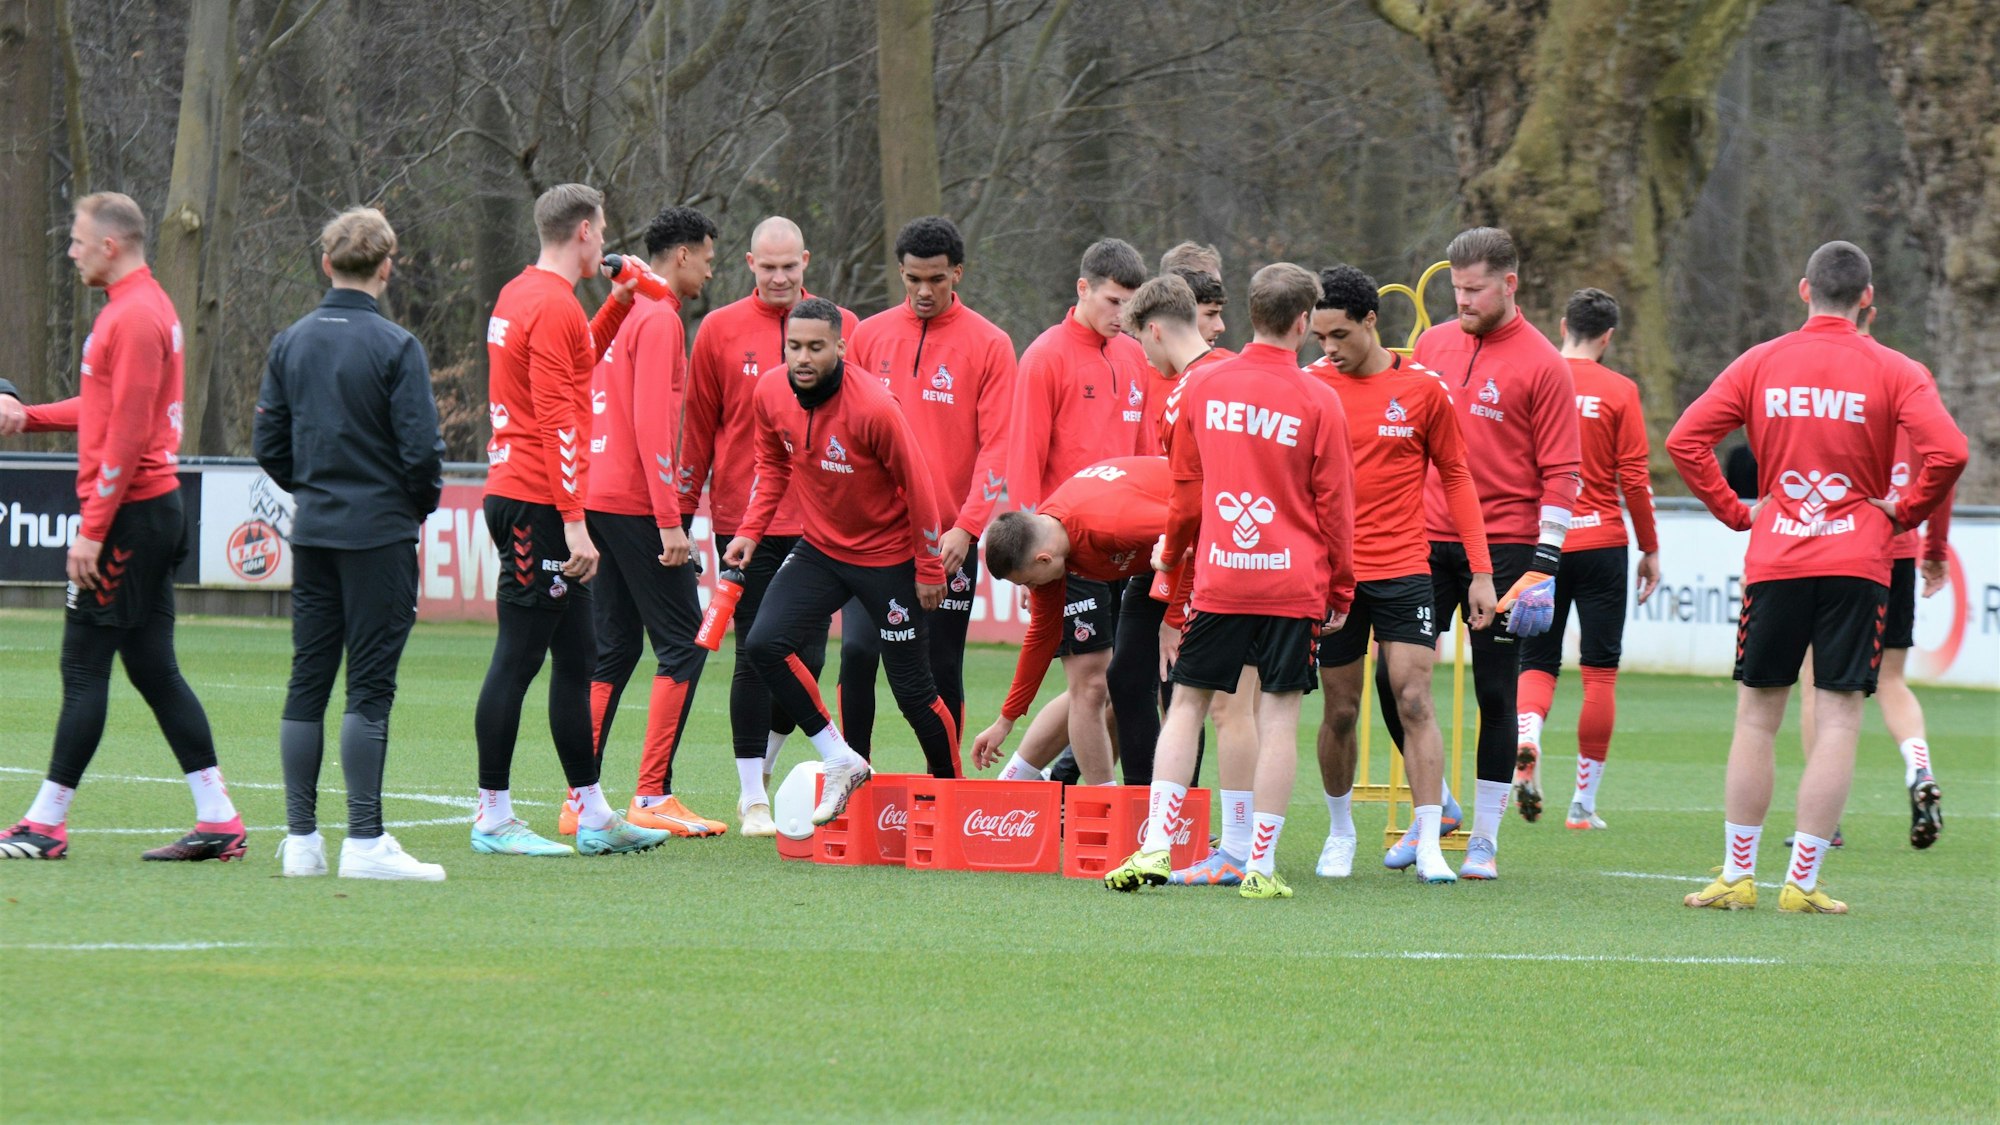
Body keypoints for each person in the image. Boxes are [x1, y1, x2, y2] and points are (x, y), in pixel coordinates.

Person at [1668, 240, 1966, 914]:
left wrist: (1736, 513)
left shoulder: (1761, 361)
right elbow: (1949, 451)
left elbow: (1685, 439)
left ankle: (1738, 874)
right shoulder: (1897, 369)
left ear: (1805, 291)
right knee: (1837, 718)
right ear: (1866, 298)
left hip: (1777, 555)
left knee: (1757, 715)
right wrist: (1906, 512)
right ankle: (1801, 882)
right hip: (1859, 562)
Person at [0, 193, 244, 862]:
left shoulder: (134, 316)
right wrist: (29, 415)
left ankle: (46, 823)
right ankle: (219, 816)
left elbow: (130, 431)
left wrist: (92, 529)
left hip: (132, 516)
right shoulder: (139, 308)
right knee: (152, 666)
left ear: (111, 244)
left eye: (78, 240)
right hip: (149, 509)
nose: (71, 250)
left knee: (83, 664)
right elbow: (107, 405)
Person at [1106, 263, 1355, 900]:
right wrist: (1341, 589)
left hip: (1220, 578)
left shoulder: (1205, 389)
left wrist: (1170, 567)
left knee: (1186, 705)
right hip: (1292, 583)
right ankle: (1261, 868)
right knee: (1277, 719)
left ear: (1246, 313)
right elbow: (1335, 507)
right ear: (1304, 323)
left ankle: (1157, 845)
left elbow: (1185, 499)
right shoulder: (1319, 397)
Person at [471, 182, 668, 858]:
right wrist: (575, 521)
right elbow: (558, 419)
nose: (607, 240)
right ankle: (492, 816)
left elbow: (574, 366)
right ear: (585, 231)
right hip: (536, 501)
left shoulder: (523, 293)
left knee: (578, 658)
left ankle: (593, 812)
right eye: (604, 227)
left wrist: (618, 302)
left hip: (526, 492)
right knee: (519, 657)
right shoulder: (549, 305)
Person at [254, 206, 447, 880]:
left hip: (316, 531)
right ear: (387, 266)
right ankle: (364, 839)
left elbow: (268, 446)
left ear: (327, 262)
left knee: (306, 682)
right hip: (379, 534)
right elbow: (421, 453)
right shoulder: (397, 347)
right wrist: (411, 504)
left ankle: (302, 841)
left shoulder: (290, 342)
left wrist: (315, 487)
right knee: (368, 688)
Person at [1396, 226, 1581, 880]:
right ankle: (1437, 805)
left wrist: (1546, 563)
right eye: (1456, 288)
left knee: (1497, 694)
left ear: (1510, 283)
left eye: (1474, 289)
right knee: (1401, 683)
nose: (1463, 300)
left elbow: (1563, 471)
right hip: (1421, 536)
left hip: (1505, 548)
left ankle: (1485, 838)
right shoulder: (1432, 343)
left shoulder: (1544, 364)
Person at [725, 298, 956, 820]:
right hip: (822, 549)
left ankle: (954, 796)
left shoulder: (874, 407)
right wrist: (749, 532)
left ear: (840, 348)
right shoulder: (768, 391)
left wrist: (927, 565)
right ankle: (840, 757)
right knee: (764, 643)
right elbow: (771, 467)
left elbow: (920, 489)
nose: (802, 358)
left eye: (815, 347)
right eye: (793, 346)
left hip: (890, 557)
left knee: (914, 693)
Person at [1306, 265, 1492, 884]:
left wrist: (1481, 572)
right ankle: (1339, 833)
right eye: (1319, 338)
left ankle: (1433, 836)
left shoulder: (1423, 390)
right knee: (1340, 709)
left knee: (1413, 699)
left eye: (1339, 335)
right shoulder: (1310, 387)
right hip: (1333, 578)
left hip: (1404, 569)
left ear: (1370, 321)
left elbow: (1459, 478)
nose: (1328, 350)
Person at [680, 216, 857, 823]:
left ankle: (771, 761)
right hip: (743, 520)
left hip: (825, 521)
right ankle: (752, 794)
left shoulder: (841, 325)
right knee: (755, 655)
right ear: (749, 264)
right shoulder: (718, 330)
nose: (780, 277)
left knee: (809, 660)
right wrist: (680, 515)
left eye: (790, 266)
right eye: (768, 266)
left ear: (806, 261)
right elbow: (698, 431)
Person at [566, 205, 728, 838]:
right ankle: (652, 795)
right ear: (682, 255)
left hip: (598, 496)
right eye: (709, 260)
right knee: (685, 642)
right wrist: (670, 523)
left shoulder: (625, 308)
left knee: (614, 648)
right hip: (637, 502)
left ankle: (581, 798)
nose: (710, 274)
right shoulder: (659, 318)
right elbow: (650, 425)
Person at [838, 216, 1014, 760]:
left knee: (941, 668)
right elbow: (847, 429)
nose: (922, 291)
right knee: (859, 655)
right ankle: (853, 776)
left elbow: (998, 446)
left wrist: (966, 528)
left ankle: (948, 788)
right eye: (912, 278)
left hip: (948, 542)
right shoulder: (868, 335)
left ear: (957, 273)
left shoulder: (990, 344)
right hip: (876, 537)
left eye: (935, 279)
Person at [1794, 303, 1954, 851]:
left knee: (1820, 685)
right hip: (1901, 544)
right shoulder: (1911, 372)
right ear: (1871, 307)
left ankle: (1824, 820)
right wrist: (1934, 545)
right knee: (1892, 680)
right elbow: (1945, 460)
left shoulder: (1818, 371)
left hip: (1841, 544)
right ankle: (1919, 767)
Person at [1005, 238, 1153, 785]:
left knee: (1120, 684)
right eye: (1114, 302)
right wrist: (1029, 559)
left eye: (1132, 306)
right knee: (1089, 685)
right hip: (1065, 550)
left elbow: (1147, 458)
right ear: (1083, 288)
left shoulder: (1135, 356)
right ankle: (1103, 808)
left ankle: (1021, 779)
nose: (1123, 316)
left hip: (1129, 549)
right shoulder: (1045, 355)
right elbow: (1023, 460)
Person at [1514, 288, 1660, 830]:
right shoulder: (1620, 390)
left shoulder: (1535, 377)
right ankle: (1583, 805)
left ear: (1561, 325)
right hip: (1602, 541)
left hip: (1542, 541)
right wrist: (1649, 546)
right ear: (1608, 336)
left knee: (1536, 661)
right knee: (1599, 674)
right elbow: (1636, 479)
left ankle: (1527, 736)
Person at [971, 456, 1189, 778]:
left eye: (1028, 582)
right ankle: (1136, 809)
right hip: (1156, 559)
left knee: (1178, 684)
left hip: (1200, 541)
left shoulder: (1107, 524)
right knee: (1125, 679)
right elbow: (1042, 639)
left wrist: (1172, 620)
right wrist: (1006, 720)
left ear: (1042, 559)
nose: (1030, 591)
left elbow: (1190, 530)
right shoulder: (1050, 548)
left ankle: (1183, 818)